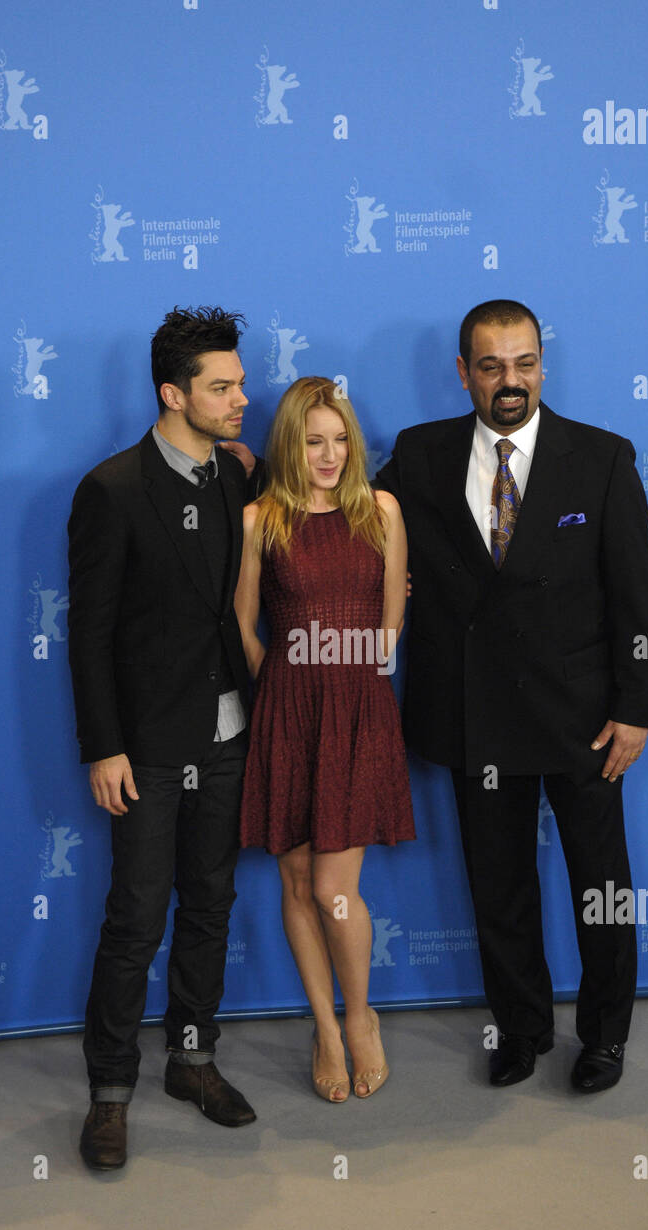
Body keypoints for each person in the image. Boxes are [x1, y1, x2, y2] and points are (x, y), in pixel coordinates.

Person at [374, 299, 648, 1094]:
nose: (511, 381)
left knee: (599, 889)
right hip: (477, 717)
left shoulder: (601, 459)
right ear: (463, 372)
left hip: (584, 720)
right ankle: (523, 1030)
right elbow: (356, 527)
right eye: (493, 365)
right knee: (498, 887)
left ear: (544, 363)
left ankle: (605, 1037)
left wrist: (636, 707)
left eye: (525, 363)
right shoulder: (419, 455)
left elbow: (638, 596)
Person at [67, 305, 260, 1170]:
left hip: (228, 734)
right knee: (137, 917)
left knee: (210, 905)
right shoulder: (109, 490)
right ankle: (111, 1090)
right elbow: (90, 634)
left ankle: (192, 1058)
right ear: (172, 393)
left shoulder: (234, 479)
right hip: (145, 748)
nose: (240, 398)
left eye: (241, 384)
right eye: (222, 388)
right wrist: (103, 748)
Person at [235, 378, 414, 1101]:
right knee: (298, 880)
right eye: (313, 441)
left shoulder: (382, 512)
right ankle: (325, 1027)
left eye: (340, 438)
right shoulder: (261, 520)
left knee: (339, 889)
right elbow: (242, 621)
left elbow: (393, 616)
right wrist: (281, 680)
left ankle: (362, 1016)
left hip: (358, 711)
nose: (331, 453)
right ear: (289, 445)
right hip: (289, 713)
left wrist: (355, 675)